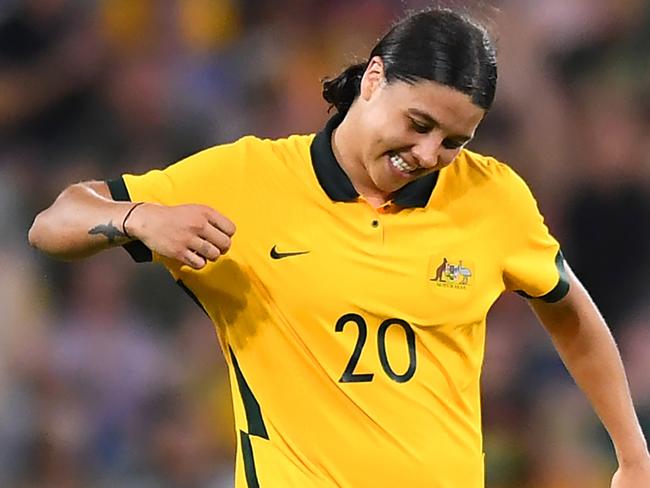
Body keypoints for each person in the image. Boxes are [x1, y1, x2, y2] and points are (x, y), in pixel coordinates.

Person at [28, 8, 650, 488]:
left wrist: (631, 451)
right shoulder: (249, 179)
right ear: (374, 80)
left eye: (455, 139)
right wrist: (138, 218)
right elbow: (54, 222)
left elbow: (567, 305)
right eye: (419, 124)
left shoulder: (491, 197)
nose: (429, 154)